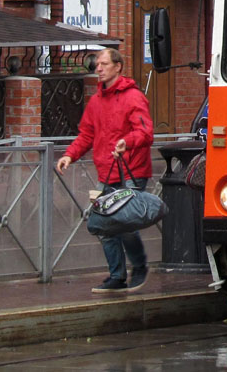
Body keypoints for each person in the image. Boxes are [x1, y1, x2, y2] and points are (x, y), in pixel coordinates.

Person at [56, 48, 154, 296]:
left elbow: (145, 133)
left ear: (118, 66)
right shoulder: (96, 101)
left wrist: (126, 142)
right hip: (107, 172)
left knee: (123, 222)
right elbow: (87, 134)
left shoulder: (133, 97)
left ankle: (139, 267)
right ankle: (117, 276)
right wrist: (69, 155)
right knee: (103, 224)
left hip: (132, 171)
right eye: (97, 64)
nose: (98, 68)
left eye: (103, 64)